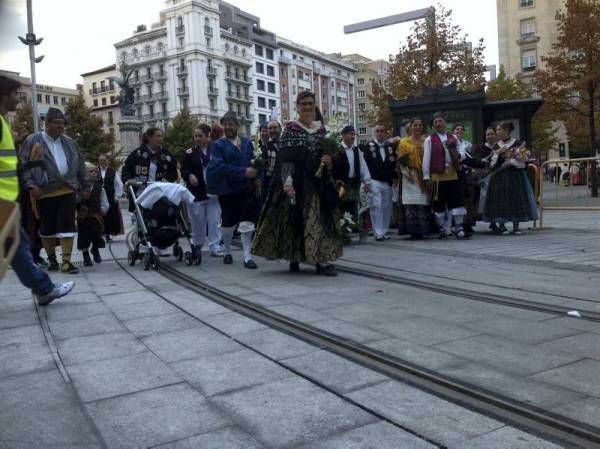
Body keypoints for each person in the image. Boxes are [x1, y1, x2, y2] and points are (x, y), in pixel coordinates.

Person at [0, 74, 73, 304]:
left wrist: (29, 165)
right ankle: (44, 288)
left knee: (16, 248)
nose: (17, 100)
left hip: (6, 200)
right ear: (3, 95)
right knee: (18, 248)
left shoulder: (2, 122)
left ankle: (43, 289)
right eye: (14, 95)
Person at [252, 91, 342, 275]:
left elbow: (331, 156)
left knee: (317, 220)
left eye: (310, 103)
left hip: (318, 183)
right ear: (298, 107)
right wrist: (287, 181)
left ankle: (321, 260)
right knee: (293, 221)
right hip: (296, 183)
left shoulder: (322, 130)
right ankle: (294, 256)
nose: (308, 107)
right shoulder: (291, 129)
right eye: (304, 104)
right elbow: (285, 159)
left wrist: (329, 160)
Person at [20, 107, 90, 274]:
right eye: (57, 123)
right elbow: (23, 165)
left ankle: (66, 262)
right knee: (47, 227)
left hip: (67, 189)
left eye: (62, 123)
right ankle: (52, 260)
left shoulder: (70, 142)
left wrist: (86, 186)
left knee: (68, 225)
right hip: (44, 191)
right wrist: (31, 186)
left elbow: (80, 165)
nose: (61, 126)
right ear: (47, 123)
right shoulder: (33, 140)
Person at [206, 112, 258, 269]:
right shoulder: (217, 145)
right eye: (225, 124)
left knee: (247, 222)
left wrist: (257, 170)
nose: (228, 127)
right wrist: (243, 172)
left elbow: (254, 160)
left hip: (246, 188)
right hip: (227, 190)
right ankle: (227, 251)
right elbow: (220, 167)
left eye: (231, 124)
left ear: (237, 126)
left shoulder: (247, 143)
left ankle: (247, 256)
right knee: (228, 225)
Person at [483, 121, 538, 235]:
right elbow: (492, 165)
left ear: (507, 130)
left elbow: (524, 162)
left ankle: (516, 226)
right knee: (500, 200)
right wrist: (497, 154)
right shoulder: (497, 145)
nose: (497, 132)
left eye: (499, 130)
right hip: (499, 177)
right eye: (497, 130)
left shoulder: (517, 143)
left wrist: (512, 162)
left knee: (515, 198)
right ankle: (501, 225)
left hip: (514, 176)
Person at [181, 123, 223, 263]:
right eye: (196, 136)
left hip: (213, 191)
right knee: (197, 221)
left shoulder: (216, 150)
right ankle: (197, 245)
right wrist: (190, 176)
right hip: (197, 192)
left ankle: (215, 246)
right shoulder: (190, 153)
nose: (197, 138)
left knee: (214, 220)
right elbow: (183, 170)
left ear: (207, 136)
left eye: (200, 136)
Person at [422, 111, 466, 239]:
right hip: (437, 177)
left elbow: (462, 151)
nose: (438, 123)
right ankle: (441, 228)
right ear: (433, 125)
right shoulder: (429, 139)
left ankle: (458, 228)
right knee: (438, 204)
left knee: (457, 202)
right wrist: (426, 176)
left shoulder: (453, 137)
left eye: (440, 121)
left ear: (444, 122)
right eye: (435, 122)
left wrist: (459, 155)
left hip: (452, 174)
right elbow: (426, 158)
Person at [121, 127, 178, 213]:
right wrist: (129, 180)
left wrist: (167, 179)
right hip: (141, 194)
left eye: (162, 136)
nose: (160, 139)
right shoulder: (137, 154)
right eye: (158, 136)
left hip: (161, 194)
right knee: (143, 220)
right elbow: (126, 170)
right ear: (149, 138)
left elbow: (173, 173)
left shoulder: (167, 155)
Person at [332, 125, 371, 240]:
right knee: (341, 205)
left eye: (354, 134)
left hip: (354, 183)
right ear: (343, 135)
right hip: (341, 183)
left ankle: (348, 230)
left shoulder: (356, 150)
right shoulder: (337, 149)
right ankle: (341, 233)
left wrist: (367, 182)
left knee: (352, 206)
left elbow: (363, 167)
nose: (353, 136)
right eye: (350, 134)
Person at [397, 117, 431, 240]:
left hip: (423, 175)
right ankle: (412, 231)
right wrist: (406, 173)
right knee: (410, 202)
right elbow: (401, 160)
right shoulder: (404, 142)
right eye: (415, 125)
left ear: (422, 127)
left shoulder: (427, 141)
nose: (417, 127)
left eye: (419, 125)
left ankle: (423, 230)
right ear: (410, 127)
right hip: (409, 176)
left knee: (422, 201)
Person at [363, 124, 396, 241]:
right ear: (374, 133)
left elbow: (394, 163)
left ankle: (385, 230)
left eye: (382, 131)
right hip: (374, 180)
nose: (380, 133)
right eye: (377, 131)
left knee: (387, 206)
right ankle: (378, 232)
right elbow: (365, 164)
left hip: (387, 181)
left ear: (385, 132)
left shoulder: (390, 146)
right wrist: (366, 182)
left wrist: (395, 177)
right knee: (376, 205)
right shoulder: (369, 146)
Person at [78, 163, 109, 266]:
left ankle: (95, 249)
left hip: (95, 216)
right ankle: (85, 255)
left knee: (97, 234)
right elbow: (75, 201)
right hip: (83, 217)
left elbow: (104, 201)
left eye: (96, 172)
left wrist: (104, 208)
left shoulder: (100, 188)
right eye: (91, 172)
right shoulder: (80, 188)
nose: (94, 174)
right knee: (83, 237)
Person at [98, 154, 123, 241]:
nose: (102, 162)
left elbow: (118, 184)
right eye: (101, 160)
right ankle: (101, 233)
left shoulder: (113, 172)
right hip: (99, 196)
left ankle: (108, 233)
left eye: (104, 160)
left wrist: (117, 196)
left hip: (110, 196)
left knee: (110, 215)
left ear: (108, 161)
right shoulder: (96, 171)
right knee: (100, 215)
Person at [262, 120, 282, 193]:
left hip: (286, 185)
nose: (272, 130)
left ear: (280, 129)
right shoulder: (265, 147)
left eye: (274, 127)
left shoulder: (287, 145)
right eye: (270, 128)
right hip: (271, 187)